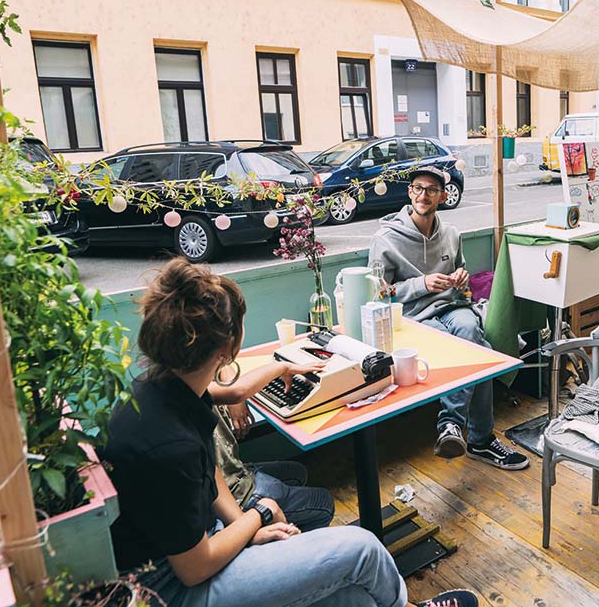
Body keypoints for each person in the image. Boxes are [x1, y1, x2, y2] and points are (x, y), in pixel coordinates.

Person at [101, 258, 478, 607]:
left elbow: (220, 425)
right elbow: (195, 568)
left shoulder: (159, 387)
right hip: (166, 588)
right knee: (363, 549)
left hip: (193, 543)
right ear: (229, 347)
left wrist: (280, 369)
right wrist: (258, 516)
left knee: (354, 597)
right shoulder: (169, 445)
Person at [369, 167, 529, 470]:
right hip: (412, 316)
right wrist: (422, 284)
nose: (423, 195)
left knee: (473, 337)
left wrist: (461, 278)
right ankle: (479, 439)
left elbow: (464, 284)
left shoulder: (451, 234)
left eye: (431, 189)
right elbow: (377, 295)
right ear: (409, 192)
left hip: (451, 307)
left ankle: (450, 426)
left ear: (442, 195)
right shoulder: (386, 239)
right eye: (418, 188)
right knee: (471, 346)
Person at [210, 360, 335, 532]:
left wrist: (235, 398)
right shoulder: (189, 392)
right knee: (324, 502)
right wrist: (247, 529)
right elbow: (238, 390)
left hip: (232, 471)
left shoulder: (186, 375)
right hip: (232, 492)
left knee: (297, 472)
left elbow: (226, 370)